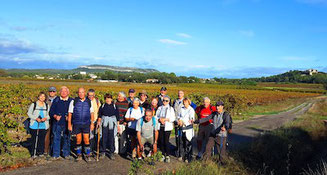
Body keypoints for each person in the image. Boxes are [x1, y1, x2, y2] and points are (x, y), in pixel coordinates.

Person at [68, 88, 95, 162]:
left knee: (86, 140)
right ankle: (79, 155)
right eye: (79, 92)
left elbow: (92, 113)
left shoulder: (89, 102)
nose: (81, 94)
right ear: (78, 93)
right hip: (77, 123)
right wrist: (69, 124)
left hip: (86, 123)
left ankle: (88, 154)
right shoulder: (74, 101)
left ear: (85, 93)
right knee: (78, 140)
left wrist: (92, 123)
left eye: (82, 92)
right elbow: (70, 114)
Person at [49, 86, 73, 160]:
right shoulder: (56, 100)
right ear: (60, 92)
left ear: (68, 92)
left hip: (67, 123)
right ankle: (56, 155)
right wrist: (55, 116)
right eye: (62, 91)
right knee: (56, 138)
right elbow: (51, 111)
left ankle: (66, 154)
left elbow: (75, 112)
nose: (63, 93)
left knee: (67, 138)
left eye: (65, 91)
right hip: (57, 123)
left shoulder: (71, 101)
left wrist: (70, 118)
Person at [27, 92, 50, 158]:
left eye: (44, 96)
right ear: (38, 97)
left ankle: (40, 152)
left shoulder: (46, 105)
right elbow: (29, 113)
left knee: (41, 139)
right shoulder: (33, 105)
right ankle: (33, 153)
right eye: (41, 96)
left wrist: (45, 118)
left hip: (43, 125)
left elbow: (48, 115)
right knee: (34, 139)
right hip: (34, 125)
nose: (42, 97)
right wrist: (36, 118)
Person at [97, 94, 120, 160]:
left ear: (111, 99)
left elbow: (117, 116)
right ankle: (102, 151)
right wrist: (98, 122)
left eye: (109, 98)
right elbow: (100, 115)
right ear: (105, 99)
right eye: (106, 98)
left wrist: (117, 125)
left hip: (112, 124)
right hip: (104, 123)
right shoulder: (103, 106)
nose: (108, 100)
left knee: (111, 138)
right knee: (103, 137)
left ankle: (111, 152)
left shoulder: (115, 106)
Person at [156, 95, 175, 163]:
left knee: (166, 141)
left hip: (167, 127)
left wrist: (166, 119)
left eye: (166, 101)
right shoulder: (160, 108)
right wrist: (159, 119)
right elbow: (156, 116)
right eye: (163, 100)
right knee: (161, 141)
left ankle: (167, 155)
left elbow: (173, 118)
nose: (165, 102)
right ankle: (163, 154)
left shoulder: (171, 109)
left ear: (169, 101)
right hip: (160, 126)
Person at [177, 98, 195, 162]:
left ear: (188, 103)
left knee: (187, 143)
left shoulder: (191, 110)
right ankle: (181, 155)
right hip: (181, 128)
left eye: (186, 102)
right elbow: (179, 116)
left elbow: (191, 120)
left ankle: (187, 157)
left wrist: (184, 122)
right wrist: (179, 121)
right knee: (181, 142)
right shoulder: (181, 109)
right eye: (184, 102)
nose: (184, 103)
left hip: (188, 128)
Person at [87, 89, 101, 156]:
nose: (90, 96)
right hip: (88, 121)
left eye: (92, 95)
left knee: (95, 136)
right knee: (90, 136)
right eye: (89, 95)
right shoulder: (86, 101)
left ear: (94, 95)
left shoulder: (97, 101)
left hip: (96, 121)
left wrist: (99, 120)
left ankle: (93, 149)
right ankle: (89, 150)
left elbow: (100, 111)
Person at [44, 86, 57, 157]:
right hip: (47, 120)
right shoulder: (45, 100)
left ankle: (53, 151)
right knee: (47, 135)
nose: (52, 93)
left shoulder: (58, 99)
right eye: (51, 91)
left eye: (53, 91)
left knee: (54, 135)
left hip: (55, 120)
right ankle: (46, 150)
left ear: (55, 92)